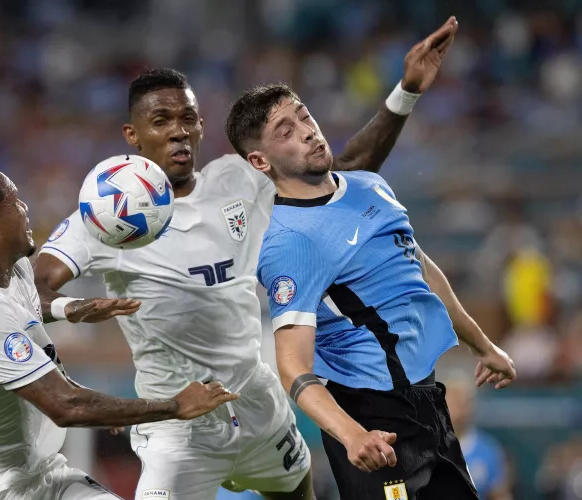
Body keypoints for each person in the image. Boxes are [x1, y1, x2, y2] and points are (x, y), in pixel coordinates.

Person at [34, 17, 460, 500]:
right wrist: (71, 310)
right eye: (161, 122)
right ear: (132, 135)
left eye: (188, 118)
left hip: (256, 402)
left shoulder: (235, 182)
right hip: (178, 422)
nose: (179, 132)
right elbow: (31, 288)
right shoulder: (107, 215)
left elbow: (335, 177)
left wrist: (404, 92)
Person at [223, 73, 517, 499]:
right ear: (259, 162)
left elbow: (422, 270)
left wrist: (483, 345)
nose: (307, 132)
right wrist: (352, 434)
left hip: (429, 402)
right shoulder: (290, 244)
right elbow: (293, 366)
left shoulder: (370, 186)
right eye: (286, 132)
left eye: (304, 117)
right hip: (372, 418)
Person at [0, 164, 236, 500]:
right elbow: (65, 406)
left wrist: (69, 308)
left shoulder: (3, 266)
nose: (25, 209)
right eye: (15, 202)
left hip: (38, 472)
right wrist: (173, 406)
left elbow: (18, 306)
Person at [445, 375, 513, 500]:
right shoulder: (425, 447)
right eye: (451, 402)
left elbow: (500, 494)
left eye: (460, 402)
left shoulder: (489, 449)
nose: (455, 409)